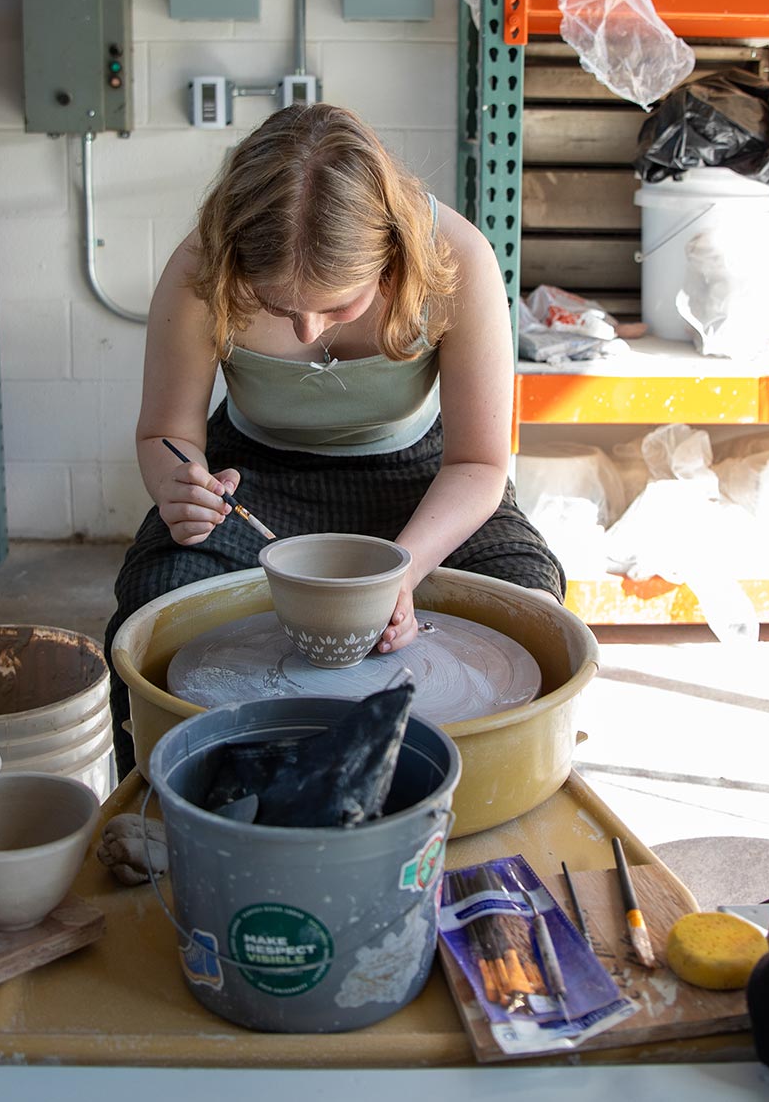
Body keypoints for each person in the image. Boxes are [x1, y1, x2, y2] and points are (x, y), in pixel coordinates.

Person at [103, 103, 564, 775]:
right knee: (155, 608)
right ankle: (162, 819)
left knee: (531, 605)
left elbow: (480, 461)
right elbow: (167, 432)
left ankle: (473, 815)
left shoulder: (457, 257)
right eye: (278, 307)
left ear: (390, 258)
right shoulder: (202, 264)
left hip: (421, 476)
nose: (305, 331)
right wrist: (181, 482)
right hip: (254, 477)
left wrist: (402, 570)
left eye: (336, 305)